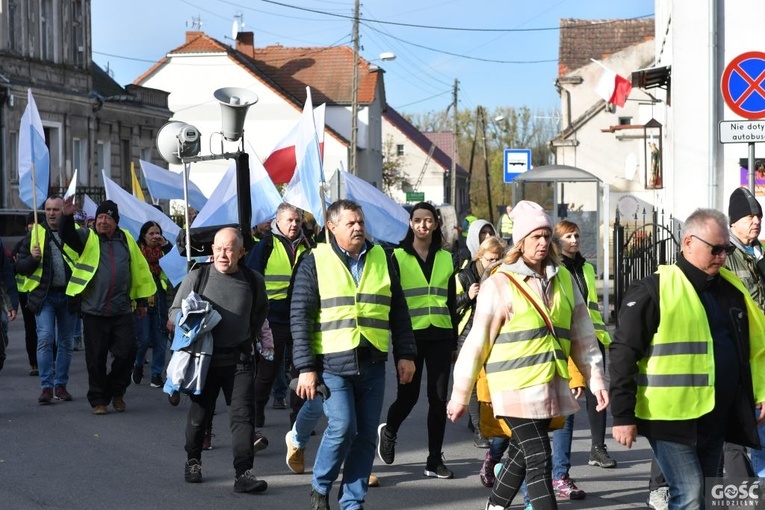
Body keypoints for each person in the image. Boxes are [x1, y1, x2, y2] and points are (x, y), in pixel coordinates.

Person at [447, 200, 609, 510]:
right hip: (511, 388)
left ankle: (495, 506)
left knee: (522, 455)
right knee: (539, 456)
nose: (543, 242)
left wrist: (596, 380)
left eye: (547, 235)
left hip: (548, 384)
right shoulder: (500, 282)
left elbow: (583, 337)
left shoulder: (564, 279)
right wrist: (459, 394)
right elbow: (476, 342)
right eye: (535, 236)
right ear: (520, 241)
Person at [609, 208, 765, 509]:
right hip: (669, 418)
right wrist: (623, 415)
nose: (721, 256)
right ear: (688, 243)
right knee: (690, 493)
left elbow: (757, 345)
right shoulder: (654, 289)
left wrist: (760, 394)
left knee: (705, 496)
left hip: (716, 414)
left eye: (726, 249)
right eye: (715, 249)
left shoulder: (732, 289)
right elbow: (623, 352)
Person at [291, 199, 416, 510]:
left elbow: (398, 311)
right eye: (351, 223)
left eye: (360, 221)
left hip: (373, 360)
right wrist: (306, 367)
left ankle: (352, 502)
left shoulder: (383, 258)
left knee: (364, 438)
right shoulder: (314, 260)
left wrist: (406, 354)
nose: (359, 227)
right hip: (333, 364)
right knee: (344, 427)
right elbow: (300, 315)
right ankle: (320, 486)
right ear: (332, 227)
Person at [168, 227, 269, 493]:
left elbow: (259, 313)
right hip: (204, 360)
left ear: (241, 252)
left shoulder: (253, 280)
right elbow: (174, 312)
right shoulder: (197, 276)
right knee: (200, 415)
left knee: (243, 417)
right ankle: (193, 460)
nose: (223, 254)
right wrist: (192, 320)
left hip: (240, 360)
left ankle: (244, 474)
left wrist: (246, 336)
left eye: (229, 249)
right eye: (219, 248)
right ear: (212, 249)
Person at [378, 201, 458, 480]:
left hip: (440, 334)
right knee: (408, 397)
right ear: (410, 224)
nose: (423, 225)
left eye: (428, 220)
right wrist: (399, 345)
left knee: (438, 399)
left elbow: (451, 303)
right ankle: (389, 432)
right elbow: (393, 304)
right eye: (417, 220)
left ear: (436, 224)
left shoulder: (447, 258)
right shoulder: (397, 257)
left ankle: (434, 459)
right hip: (409, 337)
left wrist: (454, 343)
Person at [60, 197, 156, 415]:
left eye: (107, 217)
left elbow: (139, 271)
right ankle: (98, 400)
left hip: (122, 309)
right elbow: (68, 236)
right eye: (100, 217)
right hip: (94, 310)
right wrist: (66, 217)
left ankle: (116, 391)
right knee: (96, 359)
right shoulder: (88, 237)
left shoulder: (126, 239)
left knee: (127, 353)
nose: (102, 221)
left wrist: (141, 301)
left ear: (115, 221)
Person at [553, 221, 616, 476]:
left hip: (593, 335)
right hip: (567, 339)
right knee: (568, 396)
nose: (574, 240)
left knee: (597, 394)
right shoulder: (555, 269)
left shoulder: (587, 268)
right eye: (568, 236)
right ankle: (560, 466)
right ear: (557, 241)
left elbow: (591, 303)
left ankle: (597, 448)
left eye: (576, 235)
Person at [246, 203, 313, 424]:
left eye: (297, 220)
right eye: (289, 220)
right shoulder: (265, 245)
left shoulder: (309, 246)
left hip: (302, 319)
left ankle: (299, 421)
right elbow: (252, 281)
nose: (294, 224)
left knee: (301, 372)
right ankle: (255, 416)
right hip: (273, 320)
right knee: (267, 372)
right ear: (278, 221)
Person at [15, 197, 80, 403]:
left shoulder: (75, 231)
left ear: (64, 211)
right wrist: (32, 259)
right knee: (45, 339)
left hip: (69, 295)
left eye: (56, 209)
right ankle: (46, 387)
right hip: (44, 297)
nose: (52, 213)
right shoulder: (35, 234)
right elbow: (19, 267)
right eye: (48, 210)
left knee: (66, 343)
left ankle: (60, 385)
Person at [456, 234, 506, 450]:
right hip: (468, 331)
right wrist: (467, 296)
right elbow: (450, 306)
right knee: (475, 382)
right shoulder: (464, 276)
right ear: (479, 255)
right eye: (489, 259)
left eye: (497, 259)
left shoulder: (501, 275)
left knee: (491, 380)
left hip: (493, 331)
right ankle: (479, 430)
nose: (492, 263)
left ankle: (491, 424)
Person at [131, 221, 173, 388]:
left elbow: (175, 265)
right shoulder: (136, 251)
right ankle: (138, 364)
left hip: (161, 301)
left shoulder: (164, 251)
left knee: (160, 339)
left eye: (158, 233)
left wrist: (167, 246)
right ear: (143, 236)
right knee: (144, 338)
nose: (156, 236)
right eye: (151, 233)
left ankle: (156, 374)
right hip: (142, 301)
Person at [11, 213, 37, 375]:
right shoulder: (19, 245)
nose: (32, 226)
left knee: (46, 330)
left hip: (41, 292)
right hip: (25, 293)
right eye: (30, 224)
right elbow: (12, 269)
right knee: (31, 328)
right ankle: (33, 363)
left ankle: (51, 361)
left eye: (35, 224)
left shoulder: (45, 244)